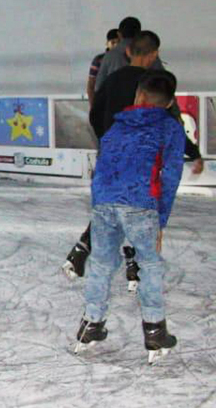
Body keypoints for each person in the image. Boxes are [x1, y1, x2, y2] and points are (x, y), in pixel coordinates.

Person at [64, 32, 204, 284]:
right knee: (135, 207)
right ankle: (135, 262)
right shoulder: (153, 85)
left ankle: (88, 250)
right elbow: (172, 122)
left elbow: (95, 113)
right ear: (153, 54)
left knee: (109, 203)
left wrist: (107, 139)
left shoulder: (113, 79)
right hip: (140, 160)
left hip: (112, 150)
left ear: (128, 51)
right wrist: (193, 152)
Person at [74, 72, 183, 364]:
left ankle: (91, 324)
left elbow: (101, 168)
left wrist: (98, 206)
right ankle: (154, 331)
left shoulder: (116, 127)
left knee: (100, 264)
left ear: (138, 96)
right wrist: (161, 219)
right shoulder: (170, 129)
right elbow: (171, 175)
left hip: (105, 202)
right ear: (170, 102)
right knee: (149, 265)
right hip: (141, 203)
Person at [95, 16, 163, 93]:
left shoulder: (109, 56)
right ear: (139, 33)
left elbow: (98, 87)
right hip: (143, 100)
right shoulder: (149, 52)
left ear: (119, 34)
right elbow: (162, 80)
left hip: (116, 100)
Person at [86, 29, 120, 105]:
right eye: (113, 42)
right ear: (107, 43)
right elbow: (91, 84)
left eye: (118, 42)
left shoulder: (127, 57)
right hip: (103, 100)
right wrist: (93, 106)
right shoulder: (99, 59)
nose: (116, 45)